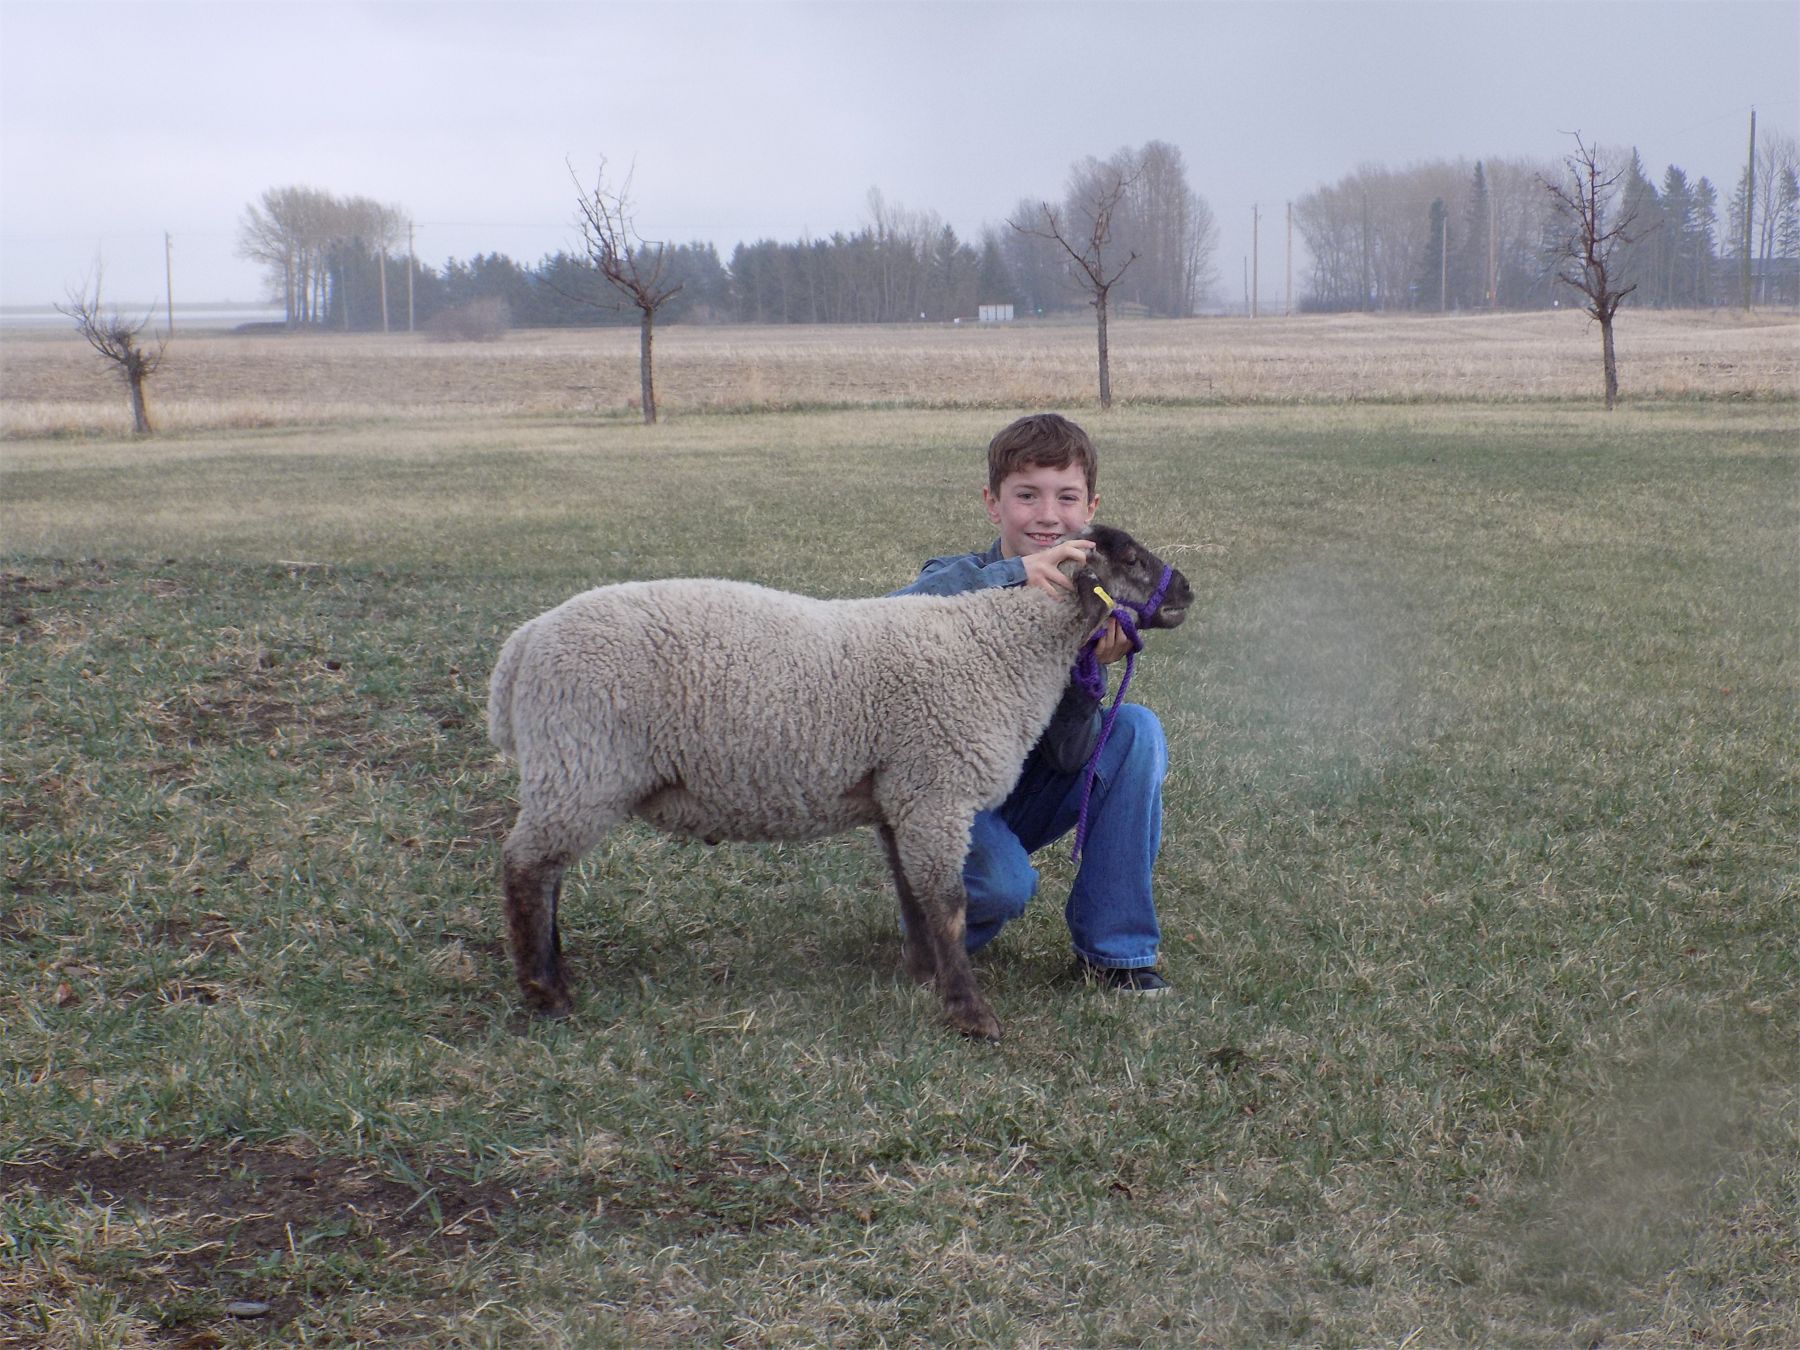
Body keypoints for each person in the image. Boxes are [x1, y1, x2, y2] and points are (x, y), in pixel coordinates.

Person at [890, 412, 1172, 994]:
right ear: (993, 504)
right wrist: (1017, 573)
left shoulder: (1088, 600)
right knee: (1003, 886)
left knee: (1135, 730)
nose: (1047, 515)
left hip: (1020, 788)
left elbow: (1069, 756)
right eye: (1026, 495)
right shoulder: (961, 576)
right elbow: (887, 615)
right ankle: (930, 936)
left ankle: (1116, 955)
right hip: (947, 799)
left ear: (1091, 508)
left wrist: (1086, 675)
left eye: (1066, 497)